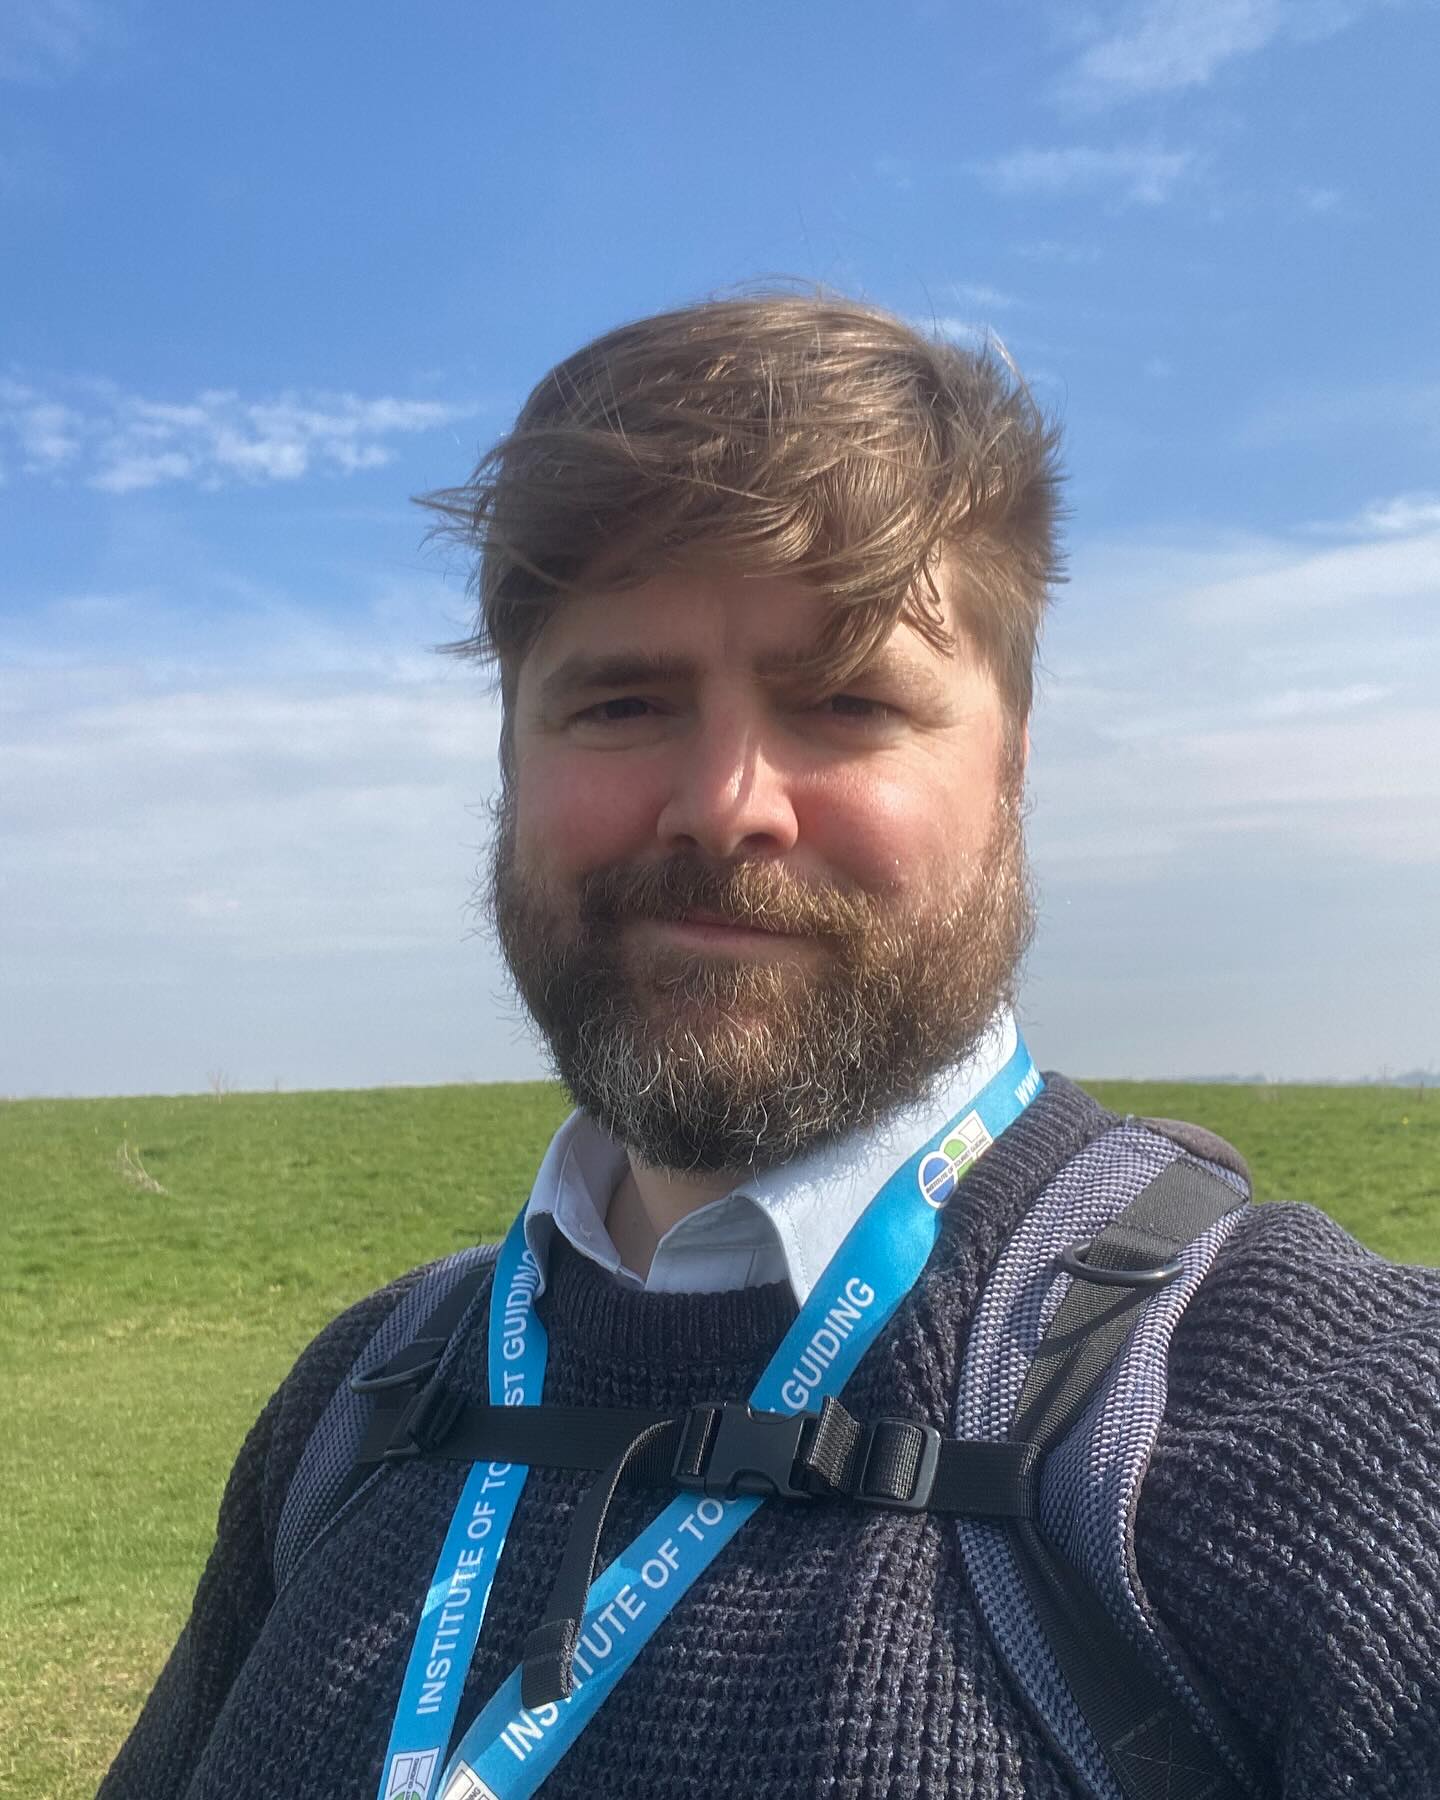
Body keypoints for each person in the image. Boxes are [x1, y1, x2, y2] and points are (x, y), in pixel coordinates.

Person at [99, 293, 1440, 1800]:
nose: (726, 800)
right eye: (620, 700)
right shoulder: (359, 1404)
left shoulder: (1349, 1433)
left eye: (848, 701)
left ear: (1010, 776)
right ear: (509, 767)